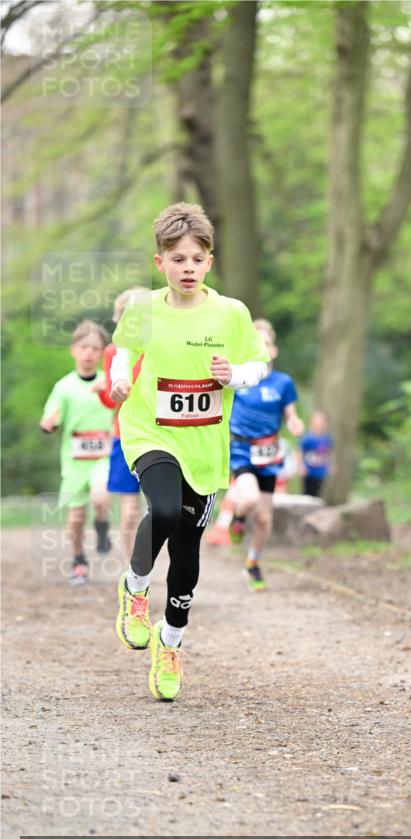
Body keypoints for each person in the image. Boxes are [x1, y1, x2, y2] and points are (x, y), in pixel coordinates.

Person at [110, 202, 270, 702]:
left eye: (196, 260)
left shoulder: (231, 313)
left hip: (204, 447)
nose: (187, 269)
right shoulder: (143, 310)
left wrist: (236, 376)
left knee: (187, 551)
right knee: (160, 508)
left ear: (210, 262)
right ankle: (136, 588)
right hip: (151, 434)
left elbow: (257, 364)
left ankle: (171, 639)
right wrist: (118, 380)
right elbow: (125, 356)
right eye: (177, 259)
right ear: (160, 262)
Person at [223, 318, 304, 591]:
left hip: (269, 453)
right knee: (249, 498)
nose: (262, 347)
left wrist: (294, 423)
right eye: (256, 343)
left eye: (266, 343)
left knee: (265, 518)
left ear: (274, 350)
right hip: (241, 450)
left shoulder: (283, 383)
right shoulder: (238, 377)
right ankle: (238, 517)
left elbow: (291, 415)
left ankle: (253, 563)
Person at [39, 320, 114, 585]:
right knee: (75, 516)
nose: (89, 354)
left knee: (100, 497)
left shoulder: (109, 382)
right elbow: (51, 416)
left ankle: (102, 525)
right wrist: (49, 424)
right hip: (73, 461)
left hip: (103, 457)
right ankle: (79, 560)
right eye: (84, 347)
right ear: (73, 350)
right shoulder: (64, 387)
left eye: (95, 348)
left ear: (102, 352)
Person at [94, 287, 150, 564]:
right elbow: (110, 400)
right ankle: (132, 568)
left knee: (163, 509)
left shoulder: (160, 347)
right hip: (124, 436)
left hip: (160, 435)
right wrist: (102, 391)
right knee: (129, 511)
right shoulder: (113, 352)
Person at [299, 409, 334, 498]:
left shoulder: (327, 439)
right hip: (308, 470)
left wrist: (330, 465)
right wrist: (301, 465)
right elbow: (299, 451)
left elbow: (328, 453)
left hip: (320, 471)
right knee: (307, 492)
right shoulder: (307, 438)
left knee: (317, 491)